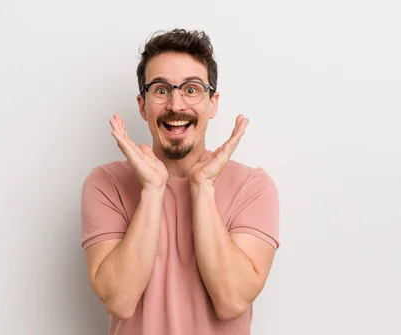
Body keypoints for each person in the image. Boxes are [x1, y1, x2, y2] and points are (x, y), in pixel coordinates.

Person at [81, 29, 280, 335]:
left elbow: (232, 300)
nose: (176, 105)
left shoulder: (252, 186)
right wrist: (152, 190)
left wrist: (202, 186)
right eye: (161, 90)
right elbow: (119, 300)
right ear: (143, 104)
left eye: (191, 89)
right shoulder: (105, 184)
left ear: (212, 103)